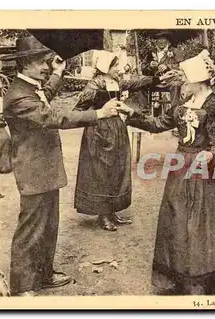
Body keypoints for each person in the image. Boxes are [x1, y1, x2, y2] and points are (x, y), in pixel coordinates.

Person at [118, 50, 215, 295]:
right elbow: (159, 124)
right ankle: (180, 276)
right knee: (177, 219)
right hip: (181, 168)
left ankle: (200, 279)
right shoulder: (183, 105)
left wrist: (212, 154)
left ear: (198, 81)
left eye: (185, 80)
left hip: (206, 174)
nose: (181, 85)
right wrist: (130, 114)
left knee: (200, 225)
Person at [1, 36, 119, 296]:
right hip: (34, 171)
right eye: (39, 62)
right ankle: (22, 286)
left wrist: (59, 72)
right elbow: (53, 117)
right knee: (31, 228)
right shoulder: (19, 96)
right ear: (24, 64)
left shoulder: (31, 86)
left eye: (46, 60)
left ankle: (43, 275)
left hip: (45, 169)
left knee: (48, 226)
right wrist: (98, 114)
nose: (45, 66)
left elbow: (48, 94)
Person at [73, 51, 178, 231]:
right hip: (98, 133)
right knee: (102, 172)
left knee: (116, 169)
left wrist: (159, 78)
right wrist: (97, 116)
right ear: (105, 68)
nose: (119, 69)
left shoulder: (118, 82)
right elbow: (77, 111)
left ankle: (112, 211)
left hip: (116, 129)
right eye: (115, 66)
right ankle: (103, 214)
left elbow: (137, 82)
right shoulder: (94, 85)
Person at [137, 30, 184, 113]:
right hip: (155, 81)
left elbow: (181, 66)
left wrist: (168, 67)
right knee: (142, 83)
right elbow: (143, 69)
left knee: (176, 84)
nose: (161, 41)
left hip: (170, 81)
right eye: (158, 39)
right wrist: (150, 66)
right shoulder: (150, 53)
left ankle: (174, 113)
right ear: (156, 41)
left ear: (168, 41)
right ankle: (143, 113)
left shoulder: (175, 52)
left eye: (163, 39)